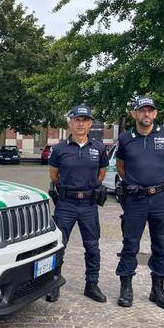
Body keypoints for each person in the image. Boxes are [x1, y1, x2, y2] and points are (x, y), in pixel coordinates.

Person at [115, 96, 164, 309]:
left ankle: (158, 289)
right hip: (136, 199)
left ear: (155, 113)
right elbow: (121, 167)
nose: (146, 114)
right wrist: (132, 183)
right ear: (134, 114)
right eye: (142, 110)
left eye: (150, 111)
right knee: (130, 244)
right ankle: (126, 287)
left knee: (161, 244)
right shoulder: (125, 138)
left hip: (161, 198)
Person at [47, 105, 109, 303]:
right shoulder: (59, 149)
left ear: (90, 123)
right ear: (70, 123)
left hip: (89, 205)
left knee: (92, 246)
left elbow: (101, 174)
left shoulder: (99, 148)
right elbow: (55, 176)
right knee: (59, 245)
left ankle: (92, 284)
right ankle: (54, 283)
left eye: (85, 120)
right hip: (66, 204)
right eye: (77, 120)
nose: (81, 124)